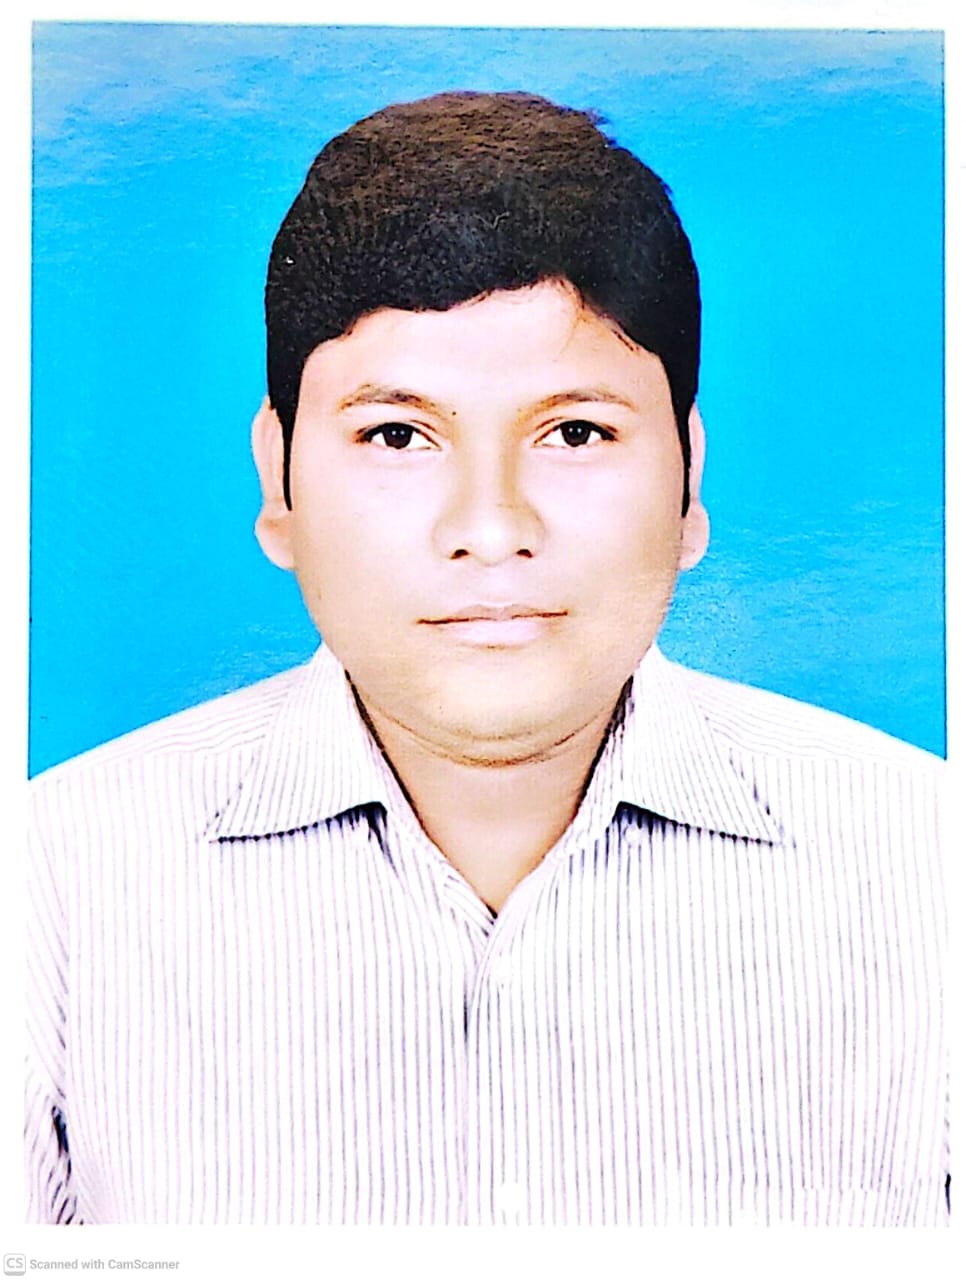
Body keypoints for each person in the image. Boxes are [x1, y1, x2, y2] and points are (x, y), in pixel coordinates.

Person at [26, 90, 947, 1227]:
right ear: (278, 479)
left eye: (576, 432)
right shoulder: (50, 887)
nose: (491, 525)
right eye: (397, 434)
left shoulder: (927, 871)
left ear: (688, 478)